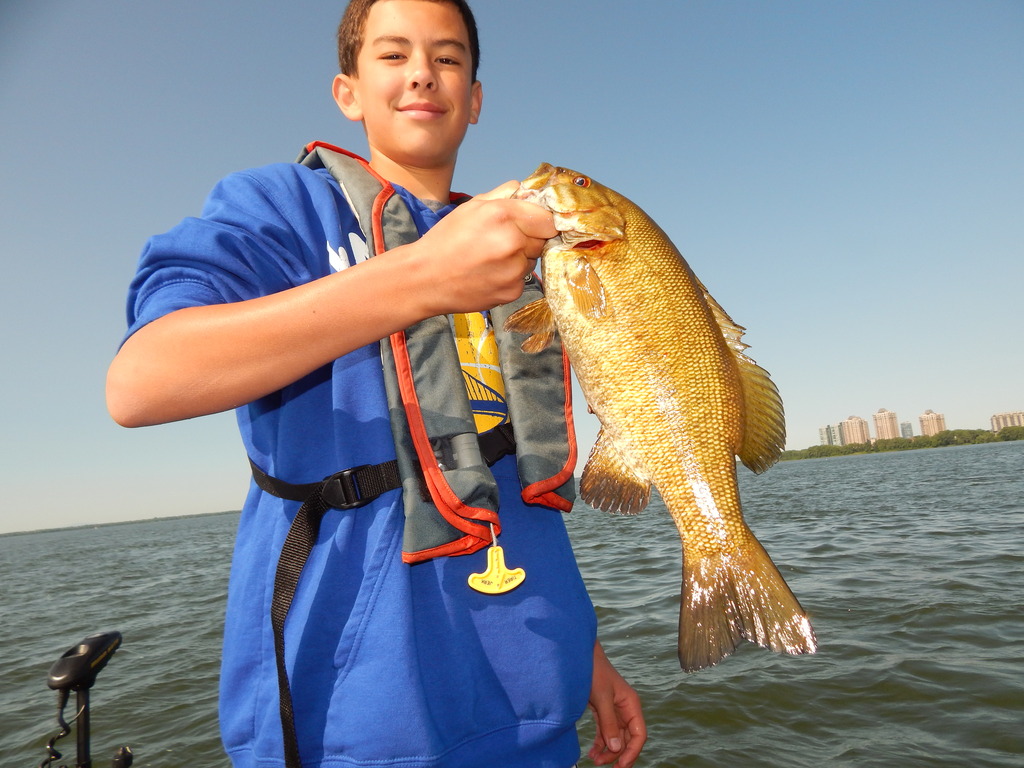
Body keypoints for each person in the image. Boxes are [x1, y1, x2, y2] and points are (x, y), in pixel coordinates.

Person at [106, 1, 646, 767]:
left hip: (535, 708)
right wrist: (421, 277)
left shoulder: (517, 253)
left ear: (475, 99)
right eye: (393, 55)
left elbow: (505, 466)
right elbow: (140, 382)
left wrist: (584, 652)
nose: (423, 73)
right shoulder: (277, 208)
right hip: (353, 724)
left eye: (448, 57)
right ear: (348, 93)